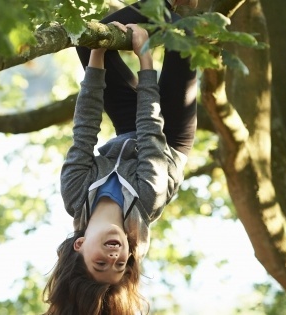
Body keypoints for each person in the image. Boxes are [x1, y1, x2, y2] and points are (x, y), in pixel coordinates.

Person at [44, 0, 198, 314]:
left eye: (101, 263)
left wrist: (98, 51)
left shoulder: (75, 195)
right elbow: (152, 132)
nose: (114, 257)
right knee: (183, 32)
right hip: (167, 139)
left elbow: (85, 126)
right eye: (119, 265)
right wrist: (145, 58)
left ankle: (167, 3)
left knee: (88, 39)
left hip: (129, 130)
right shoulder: (146, 201)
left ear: (80, 245)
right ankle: (181, 11)